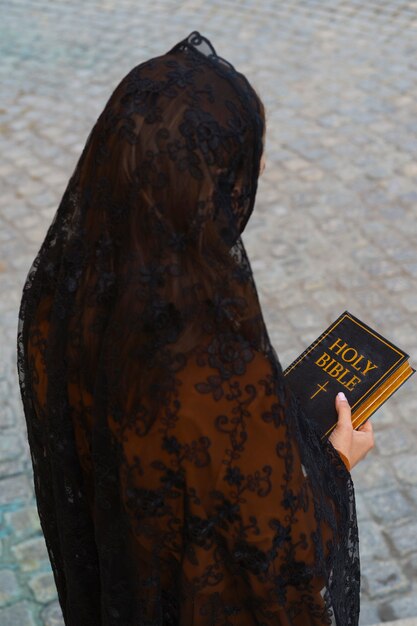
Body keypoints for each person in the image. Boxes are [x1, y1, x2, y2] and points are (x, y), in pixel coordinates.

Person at [16, 31, 374, 626]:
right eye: (245, 160)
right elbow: (279, 562)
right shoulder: (207, 354)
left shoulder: (63, 299)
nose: (256, 171)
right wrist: (334, 463)